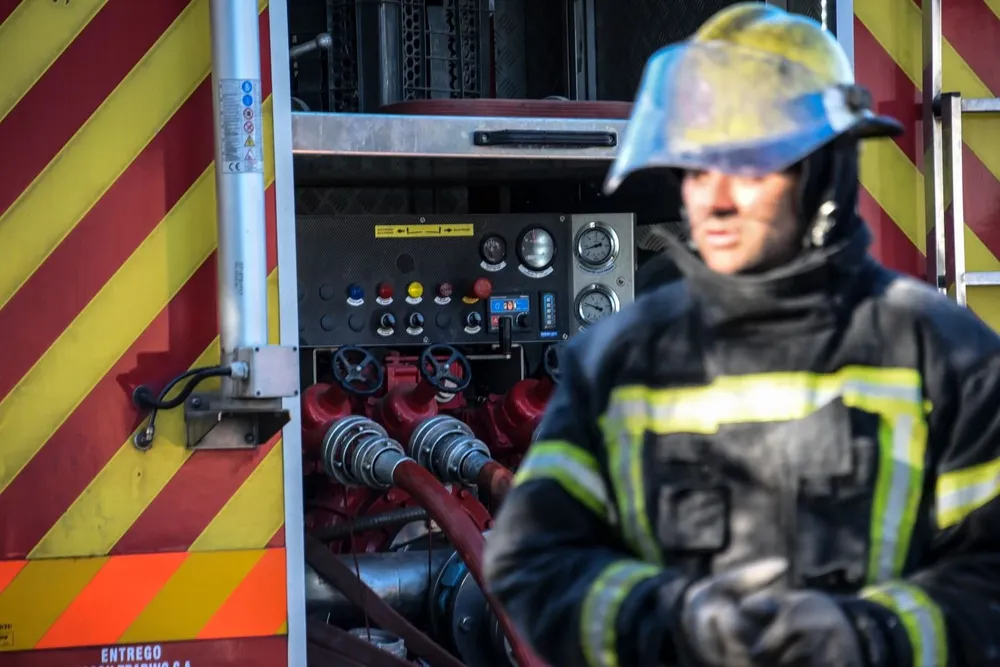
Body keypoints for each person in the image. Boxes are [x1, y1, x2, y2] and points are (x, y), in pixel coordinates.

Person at [482, 4, 1000, 667]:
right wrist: (670, 616)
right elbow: (537, 560)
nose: (715, 198)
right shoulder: (621, 359)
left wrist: (871, 635)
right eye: (699, 169)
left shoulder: (945, 354)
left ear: (826, 174)